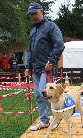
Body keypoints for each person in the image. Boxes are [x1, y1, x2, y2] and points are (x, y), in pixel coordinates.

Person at [24, 2, 65, 131]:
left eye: (35, 13)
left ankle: (57, 118)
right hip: (35, 68)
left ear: (41, 11)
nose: (33, 16)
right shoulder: (33, 30)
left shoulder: (51, 27)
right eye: (31, 14)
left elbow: (59, 45)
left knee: (47, 94)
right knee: (37, 94)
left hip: (47, 68)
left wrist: (51, 61)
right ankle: (44, 121)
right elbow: (30, 50)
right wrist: (28, 66)